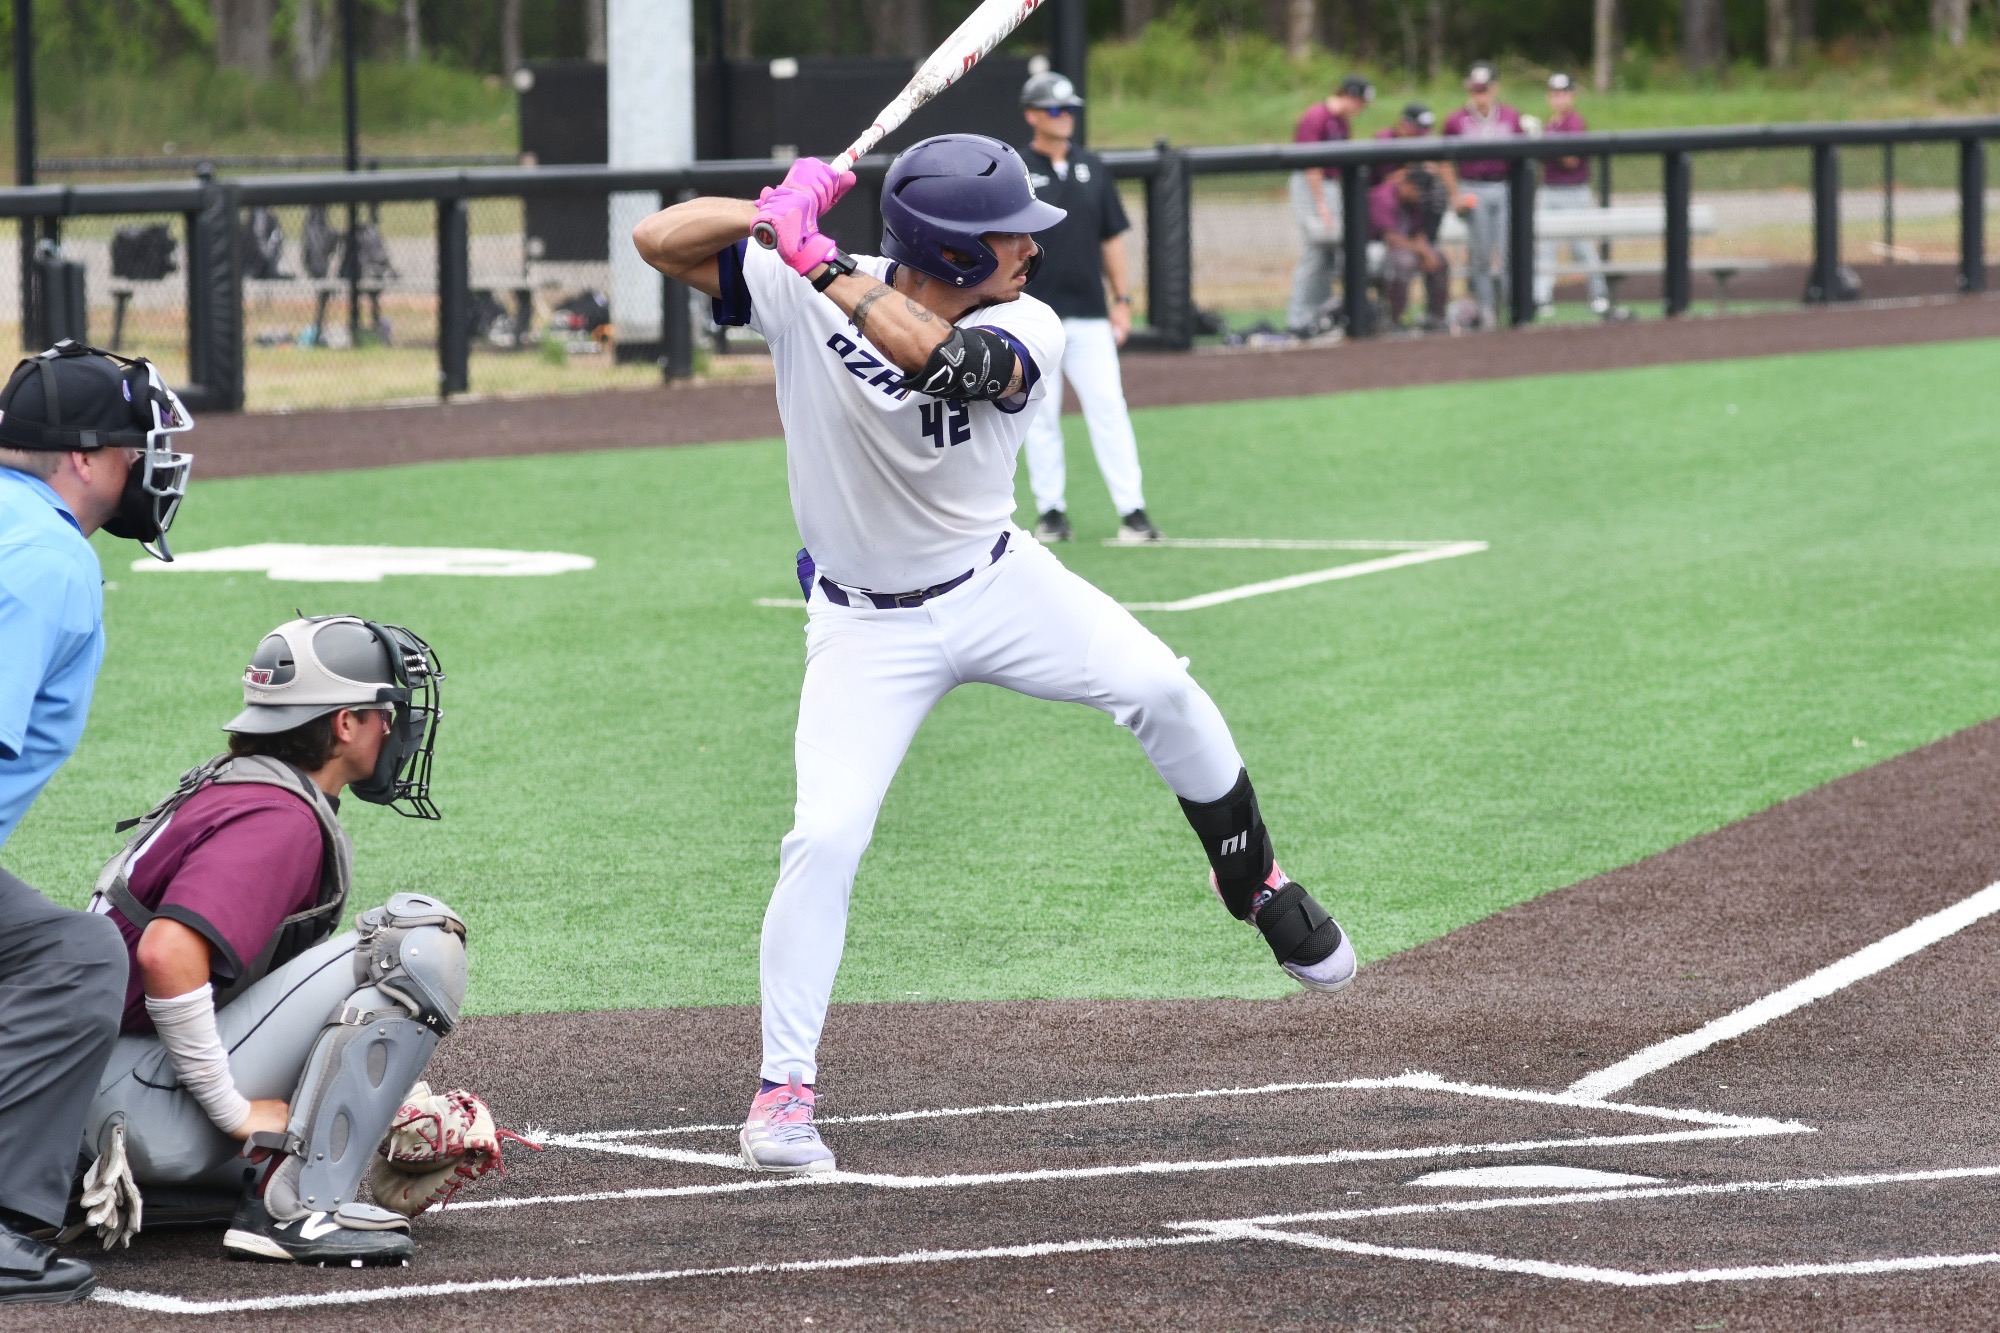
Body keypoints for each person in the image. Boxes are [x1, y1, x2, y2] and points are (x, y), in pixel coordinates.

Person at [634, 133, 1356, 1178]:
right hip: (861, 626)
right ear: (953, 251)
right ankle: (781, 1094)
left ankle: (1251, 880)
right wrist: (768, 206)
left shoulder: (1022, 325)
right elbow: (656, 238)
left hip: (996, 582)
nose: (1030, 246)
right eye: (1006, 233)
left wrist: (811, 258)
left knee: (1161, 685)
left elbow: (940, 358)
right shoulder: (802, 282)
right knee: (823, 838)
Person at [81, 614, 481, 1267]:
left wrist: (387, 1105)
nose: (398, 728)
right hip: (134, 1101)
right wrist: (234, 1110)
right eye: (386, 710)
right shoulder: (277, 816)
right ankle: (299, 1209)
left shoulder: (247, 786)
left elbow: (262, 994)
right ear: (345, 723)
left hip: (88, 1093)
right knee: (417, 939)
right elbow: (167, 952)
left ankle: (221, 1181)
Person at [0, 341, 193, 1305]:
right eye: (132, 445)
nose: (146, 463)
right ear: (83, 458)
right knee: (74, 958)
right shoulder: (47, 558)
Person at [1016, 71, 1160, 547]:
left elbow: (1110, 238)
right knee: (1040, 415)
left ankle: (1132, 510)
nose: (1066, 117)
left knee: (1109, 408)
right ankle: (1052, 511)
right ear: (1032, 115)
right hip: (1034, 315)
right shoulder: (1017, 170)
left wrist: (1122, 299)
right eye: (1056, 110)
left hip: (1090, 313)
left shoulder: (1093, 166)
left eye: (1070, 109)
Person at [1285, 74, 1375, 337]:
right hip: (1311, 185)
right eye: (1360, 101)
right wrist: (1321, 204)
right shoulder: (1317, 116)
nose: (1361, 108)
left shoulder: (1341, 122)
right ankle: (1299, 318)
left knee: (1328, 255)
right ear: (1350, 95)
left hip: (1330, 186)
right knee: (1315, 251)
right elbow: (1311, 164)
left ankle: (1320, 314)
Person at [1442, 62, 1524, 329]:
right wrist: (1455, 193)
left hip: (1503, 185)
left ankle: (1514, 307)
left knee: (1508, 250)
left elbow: (1523, 159)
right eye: (1476, 89)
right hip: (1473, 186)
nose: (1480, 95)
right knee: (1480, 254)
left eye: (1484, 89)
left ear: (1495, 89)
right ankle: (1486, 309)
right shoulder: (1457, 120)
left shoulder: (1510, 117)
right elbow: (1444, 160)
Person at [1533, 73, 1610, 316]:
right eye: (1555, 94)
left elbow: (1571, 160)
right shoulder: (1551, 123)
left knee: (1582, 246)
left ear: (1572, 95)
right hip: (1550, 190)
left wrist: (1545, 141)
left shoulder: (1574, 122)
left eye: (1564, 93)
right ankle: (1541, 297)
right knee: (1546, 247)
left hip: (1574, 190)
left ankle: (1598, 294)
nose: (1559, 99)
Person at [1372, 167, 1450, 331]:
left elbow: (1418, 231)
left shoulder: (1413, 201)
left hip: (1406, 248)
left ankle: (1436, 318)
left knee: (1439, 260)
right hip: (1374, 249)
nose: (1419, 197)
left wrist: (1427, 252)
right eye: (1417, 191)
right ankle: (1394, 320)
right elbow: (1390, 237)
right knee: (1403, 262)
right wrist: (1421, 250)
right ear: (1407, 185)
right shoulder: (1383, 196)